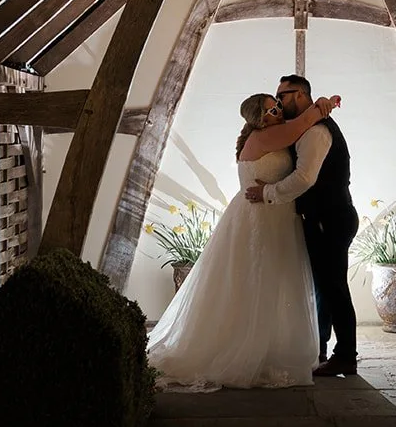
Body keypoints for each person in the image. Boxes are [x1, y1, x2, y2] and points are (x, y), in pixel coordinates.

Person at [145, 89, 341, 391]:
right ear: (260, 120)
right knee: (257, 282)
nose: (278, 110)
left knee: (270, 283)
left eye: (277, 105)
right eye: (272, 109)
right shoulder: (265, 138)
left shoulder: (266, 137)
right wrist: (323, 105)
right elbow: (300, 125)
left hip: (273, 214)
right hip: (261, 217)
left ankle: (267, 347)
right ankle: (245, 351)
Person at [245, 74, 360, 377]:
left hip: (330, 217)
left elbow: (304, 179)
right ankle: (319, 349)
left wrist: (267, 193)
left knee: (334, 288)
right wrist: (324, 104)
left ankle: (345, 355)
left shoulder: (316, 133)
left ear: (299, 95)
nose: (279, 102)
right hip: (324, 216)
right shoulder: (306, 126)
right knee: (323, 288)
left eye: (282, 96)